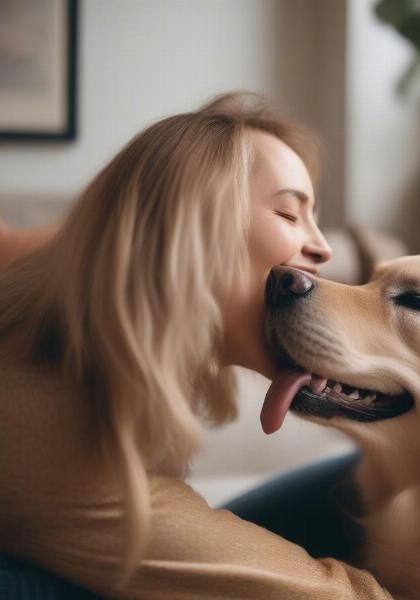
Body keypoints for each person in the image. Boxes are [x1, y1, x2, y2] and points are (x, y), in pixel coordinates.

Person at [0, 92, 392, 599]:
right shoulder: (57, 423)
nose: (324, 247)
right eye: (290, 214)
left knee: (354, 478)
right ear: (192, 229)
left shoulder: (83, 322)